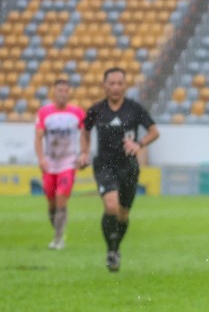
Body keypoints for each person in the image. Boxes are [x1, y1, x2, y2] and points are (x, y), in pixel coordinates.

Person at [81, 67, 160, 272]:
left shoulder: (134, 109)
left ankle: (115, 248)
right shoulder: (96, 110)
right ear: (104, 85)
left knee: (123, 214)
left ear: (125, 86)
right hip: (105, 165)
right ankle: (111, 251)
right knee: (111, 206)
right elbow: (85, 130)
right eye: (111, 83)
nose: (115, 87)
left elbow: (154, 131)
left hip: (128, 167)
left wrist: (139, 144)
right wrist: (84, 152)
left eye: (119, 83)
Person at [34, 78, 87, 250]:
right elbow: (39, 137)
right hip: (50, 162)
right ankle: (58, 232)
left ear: (69, 93)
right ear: (54, 92)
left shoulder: (77, 113)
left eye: (66, 90)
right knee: (51, 204)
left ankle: (58, 239)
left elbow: (84, 134)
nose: (63, 94)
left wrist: (83, 154)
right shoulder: (44, 113)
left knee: (61, 199)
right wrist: (41, 158)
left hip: (68, 162)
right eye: (60, 90)